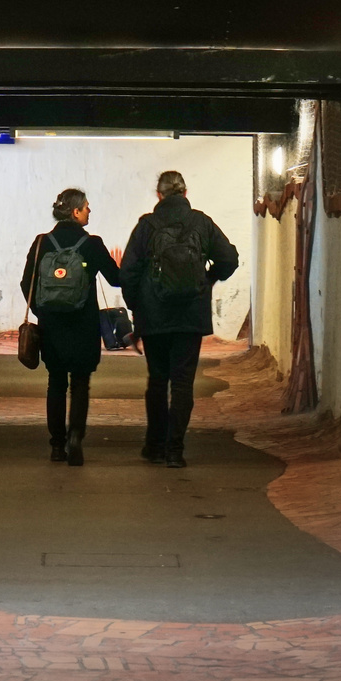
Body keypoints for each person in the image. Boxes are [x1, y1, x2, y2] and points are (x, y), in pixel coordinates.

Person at [119, 170, 239, 468]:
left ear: (158, 195)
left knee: (157, 380)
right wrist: (207, 280)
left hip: (154, 315)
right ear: (185, 193)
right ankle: (175, 450)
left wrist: (137, 308)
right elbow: (229, 259)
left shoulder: (147, 225)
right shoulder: (201, 222)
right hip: (190, 314)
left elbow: (129, 273)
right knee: (183, 383)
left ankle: (155, 445)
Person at [19, 188, 123, 466]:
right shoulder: (92, 243)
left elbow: (26, 284)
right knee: (80, 384)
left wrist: (43, 313)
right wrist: (122, 266)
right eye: (87, 207)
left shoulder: (41, 243)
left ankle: (56, 445)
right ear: (76, 212)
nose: (90, 211)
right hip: (84, 325)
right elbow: (115, 279)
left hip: (52, 325)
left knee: (56, 382)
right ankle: (76, 436)